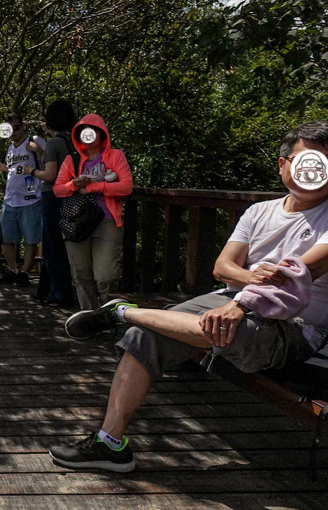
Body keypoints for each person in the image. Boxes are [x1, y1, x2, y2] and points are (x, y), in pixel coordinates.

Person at [49, 121, 328, 473]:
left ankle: (122, 312)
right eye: (308, 161)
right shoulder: (259, 211)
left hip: (296, 326)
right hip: (233, 299)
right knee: (145, 336)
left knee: (219, 327)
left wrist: (240, 303)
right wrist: (247, 281)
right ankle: (110, 443)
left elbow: (296, 276)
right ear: (283, 164)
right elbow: (223, 268)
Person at [53, 114, 133, 310]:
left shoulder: (116, 156)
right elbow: (58, 189)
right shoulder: (72, 159)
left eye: (92, 131)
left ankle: (108, 314)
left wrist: (94, 187)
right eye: (83, 132)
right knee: (81, 273)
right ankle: (88, 316)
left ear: (101, 133)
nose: (88, 136)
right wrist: (74, 184)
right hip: (77, 223)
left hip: (106, 221)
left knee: (106, 275)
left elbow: (126, 187)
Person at [0, 113, 46, 287]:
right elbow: (16, 170)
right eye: (10, 129)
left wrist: (38, 149)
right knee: (6, 238)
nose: (13, 132)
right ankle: (13, 270)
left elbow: (50, 160)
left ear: (23, 127)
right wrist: (3, 168)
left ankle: (25, 272)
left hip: (31, 199)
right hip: (10, 199)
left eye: (17, 127)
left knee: (30, 239)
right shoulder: (10, 148)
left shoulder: (35, 140)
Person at [34, 100, 77, 307]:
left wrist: (32, 171)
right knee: (65, 245)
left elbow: (50, 175)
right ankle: (52, 291)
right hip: (72, 195)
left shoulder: (53, 144)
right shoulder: (74, 142)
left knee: (52, 246)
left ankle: (58, 294)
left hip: (53, 196)